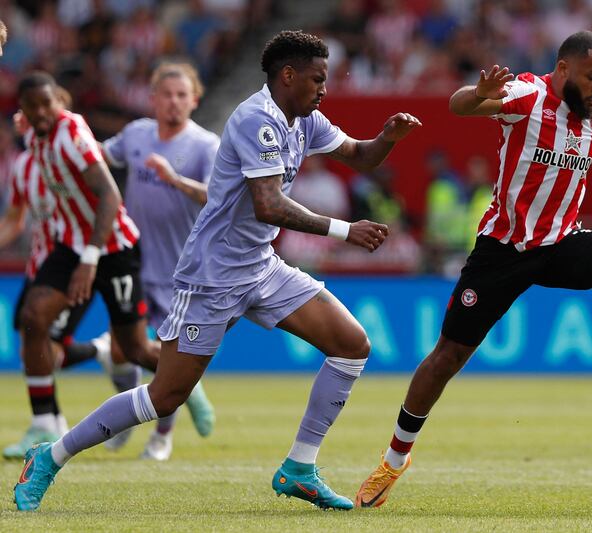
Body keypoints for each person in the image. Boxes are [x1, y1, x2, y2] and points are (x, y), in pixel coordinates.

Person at [14, 30, 421, 512]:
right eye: (317, 79)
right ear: (287, 76)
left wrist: (387, 139)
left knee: (352, 346)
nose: (324, 88)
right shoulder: (257, 120)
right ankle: (50, 456)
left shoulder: (304, 118)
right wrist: (343, 229)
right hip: (212, 275)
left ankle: (299, 469)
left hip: (261, 267)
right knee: (165, 397)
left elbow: (360, 154)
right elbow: (268, 205)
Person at [355, 30, 592, 508]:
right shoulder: (527, 95)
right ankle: (394, 460)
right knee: (447, 359)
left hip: (562, 242)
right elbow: (461, 106)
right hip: (502, 250)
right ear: (563, 70)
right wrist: (478, 94)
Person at [1, 88, 140, 459]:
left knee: (63, 346)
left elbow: (105, 192)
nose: (40, 113)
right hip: (52, 260)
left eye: (48, 104)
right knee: (35, 332)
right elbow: (14, 221)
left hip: (93, 252)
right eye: (31, 107)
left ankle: (179, 377)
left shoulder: (73, 138)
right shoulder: (24, 160)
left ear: (61, 104)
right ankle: (48, 421)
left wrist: (90, 256)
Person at [101, 62, 219, 461]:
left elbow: (221, 197)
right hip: (131, 262)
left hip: (181, 271)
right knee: (121, 350)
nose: (173, 102)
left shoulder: (205, 145)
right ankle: (123, 421)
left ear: (194, 100)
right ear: (152, 99)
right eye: (166, 94)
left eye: (181, 95)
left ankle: (161, 437)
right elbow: (98, 157)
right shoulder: (136, 134)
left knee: (169, 362)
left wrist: (174, 179)